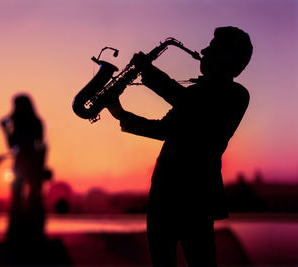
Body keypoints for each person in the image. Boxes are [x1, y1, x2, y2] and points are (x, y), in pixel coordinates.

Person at [107, 26, 253, 266]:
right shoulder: (197, 93)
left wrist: (148, 71)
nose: (204, 50)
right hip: (163, 193)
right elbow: (163, 130)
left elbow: (189, 103)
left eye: (213, 48)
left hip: (195, 197)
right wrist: (120, 114)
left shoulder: (237, 95)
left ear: (228, 57)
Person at [1, 94, 49, 253]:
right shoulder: (36, 122)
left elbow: (12, 145)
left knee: (22, 197)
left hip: (23, 162)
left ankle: (20, 232)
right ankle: (34, 231)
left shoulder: (22, 123)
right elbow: (41, 145)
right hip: (31, 162)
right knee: (33, 196)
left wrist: (6, 129)